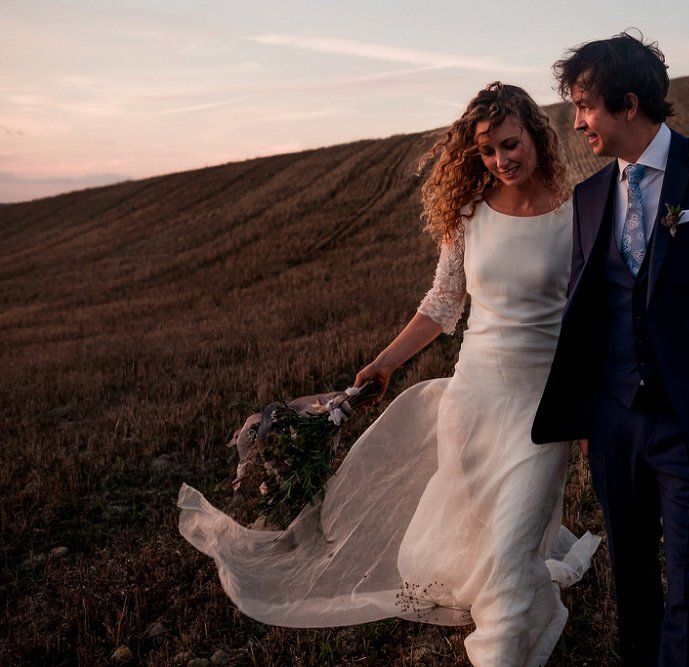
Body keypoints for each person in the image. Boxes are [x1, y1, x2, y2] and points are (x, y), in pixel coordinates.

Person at [179, 82, 599, 667]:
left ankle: (503, 649)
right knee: (486, 538)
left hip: (542, 408)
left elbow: (593, 315)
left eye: (510, 144)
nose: (501, 160)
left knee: (512, 545)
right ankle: (516, 598)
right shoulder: (471, 215)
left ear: (535, 134)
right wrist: (383, 363)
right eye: (487, 152)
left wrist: (592, 403)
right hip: (473, 400)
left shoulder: (578, 213)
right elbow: (442, 303)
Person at [532, 31, 689, 666]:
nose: (576, 120)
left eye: (584, 104)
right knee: (632, 582)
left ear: (628, 103)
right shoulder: (590, 199)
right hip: (614, 423)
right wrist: (591, 413)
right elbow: (584, 308)